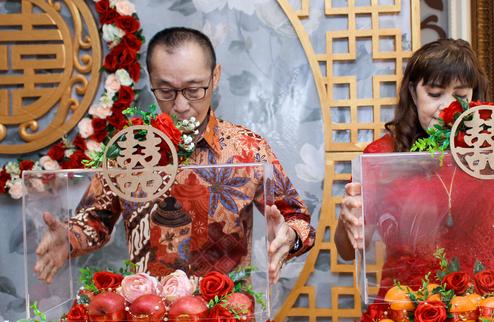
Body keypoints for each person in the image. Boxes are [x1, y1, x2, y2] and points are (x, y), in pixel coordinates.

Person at [34, 27, 315, 285]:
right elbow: (96, 219)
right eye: (166, 90)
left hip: (227, 315)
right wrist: (69, 238)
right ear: (151, 81)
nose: (180, 105)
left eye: (194, 89)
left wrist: (289, 235)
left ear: (215, 76)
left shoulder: (247, 149)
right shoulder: (131, 150)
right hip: (148, 317)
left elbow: (298, 219)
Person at [334, 38, 494, 298]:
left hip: (483, 310)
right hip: (404, 309)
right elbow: (349, 251)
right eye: (435, 94)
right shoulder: (381, 155)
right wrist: (346, 220)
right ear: (413, 92)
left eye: (461, 95)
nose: (448, 108)